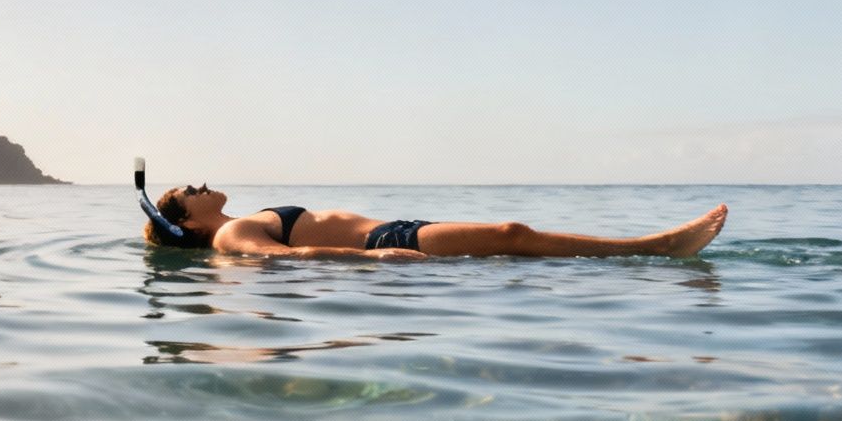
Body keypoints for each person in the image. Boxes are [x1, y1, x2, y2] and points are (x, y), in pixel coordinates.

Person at [141, 185, 728, 260]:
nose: (196, 185)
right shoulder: (227, 234)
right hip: (387, 243)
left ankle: (653, 248)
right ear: (184, 219)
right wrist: (374, 258)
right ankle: (658, 247)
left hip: (396, 230)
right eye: (184, 192)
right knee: (511, 235)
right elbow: (287, 259)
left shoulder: (234, 220)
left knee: (514, 245)